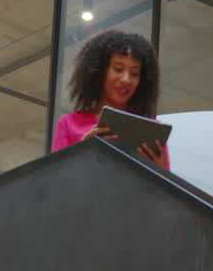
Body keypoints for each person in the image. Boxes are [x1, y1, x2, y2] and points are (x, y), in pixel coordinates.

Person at [52, 30, 170, 169]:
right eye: (118, 69)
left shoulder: (152, 132)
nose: (126, 79)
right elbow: (56, 183)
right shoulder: (69, 125)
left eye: (134, 73)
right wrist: (82, 152)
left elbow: (160, 189)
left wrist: (162, 173)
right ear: (99, 72)